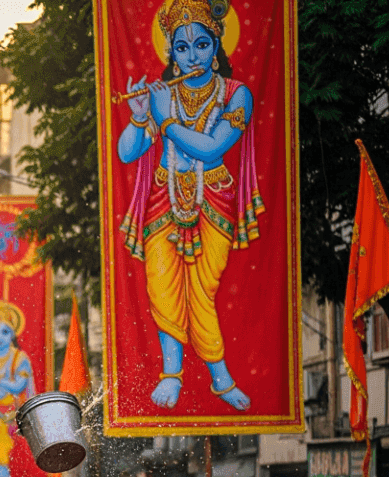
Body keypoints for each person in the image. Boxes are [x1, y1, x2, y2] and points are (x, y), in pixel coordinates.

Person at [114, 0, 262, 411]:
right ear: (171, 55)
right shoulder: (163, 97)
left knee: (203, 289)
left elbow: (214, 148)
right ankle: (171, 374)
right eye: (182, 48)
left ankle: (220, 376)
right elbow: (128, 153)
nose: (193, 55)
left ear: (216, 46)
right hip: (164, 197)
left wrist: (164, 122)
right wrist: (140, 117)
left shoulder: (236, 94)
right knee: (161, 285)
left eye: (201, 45)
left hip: (213, 197)